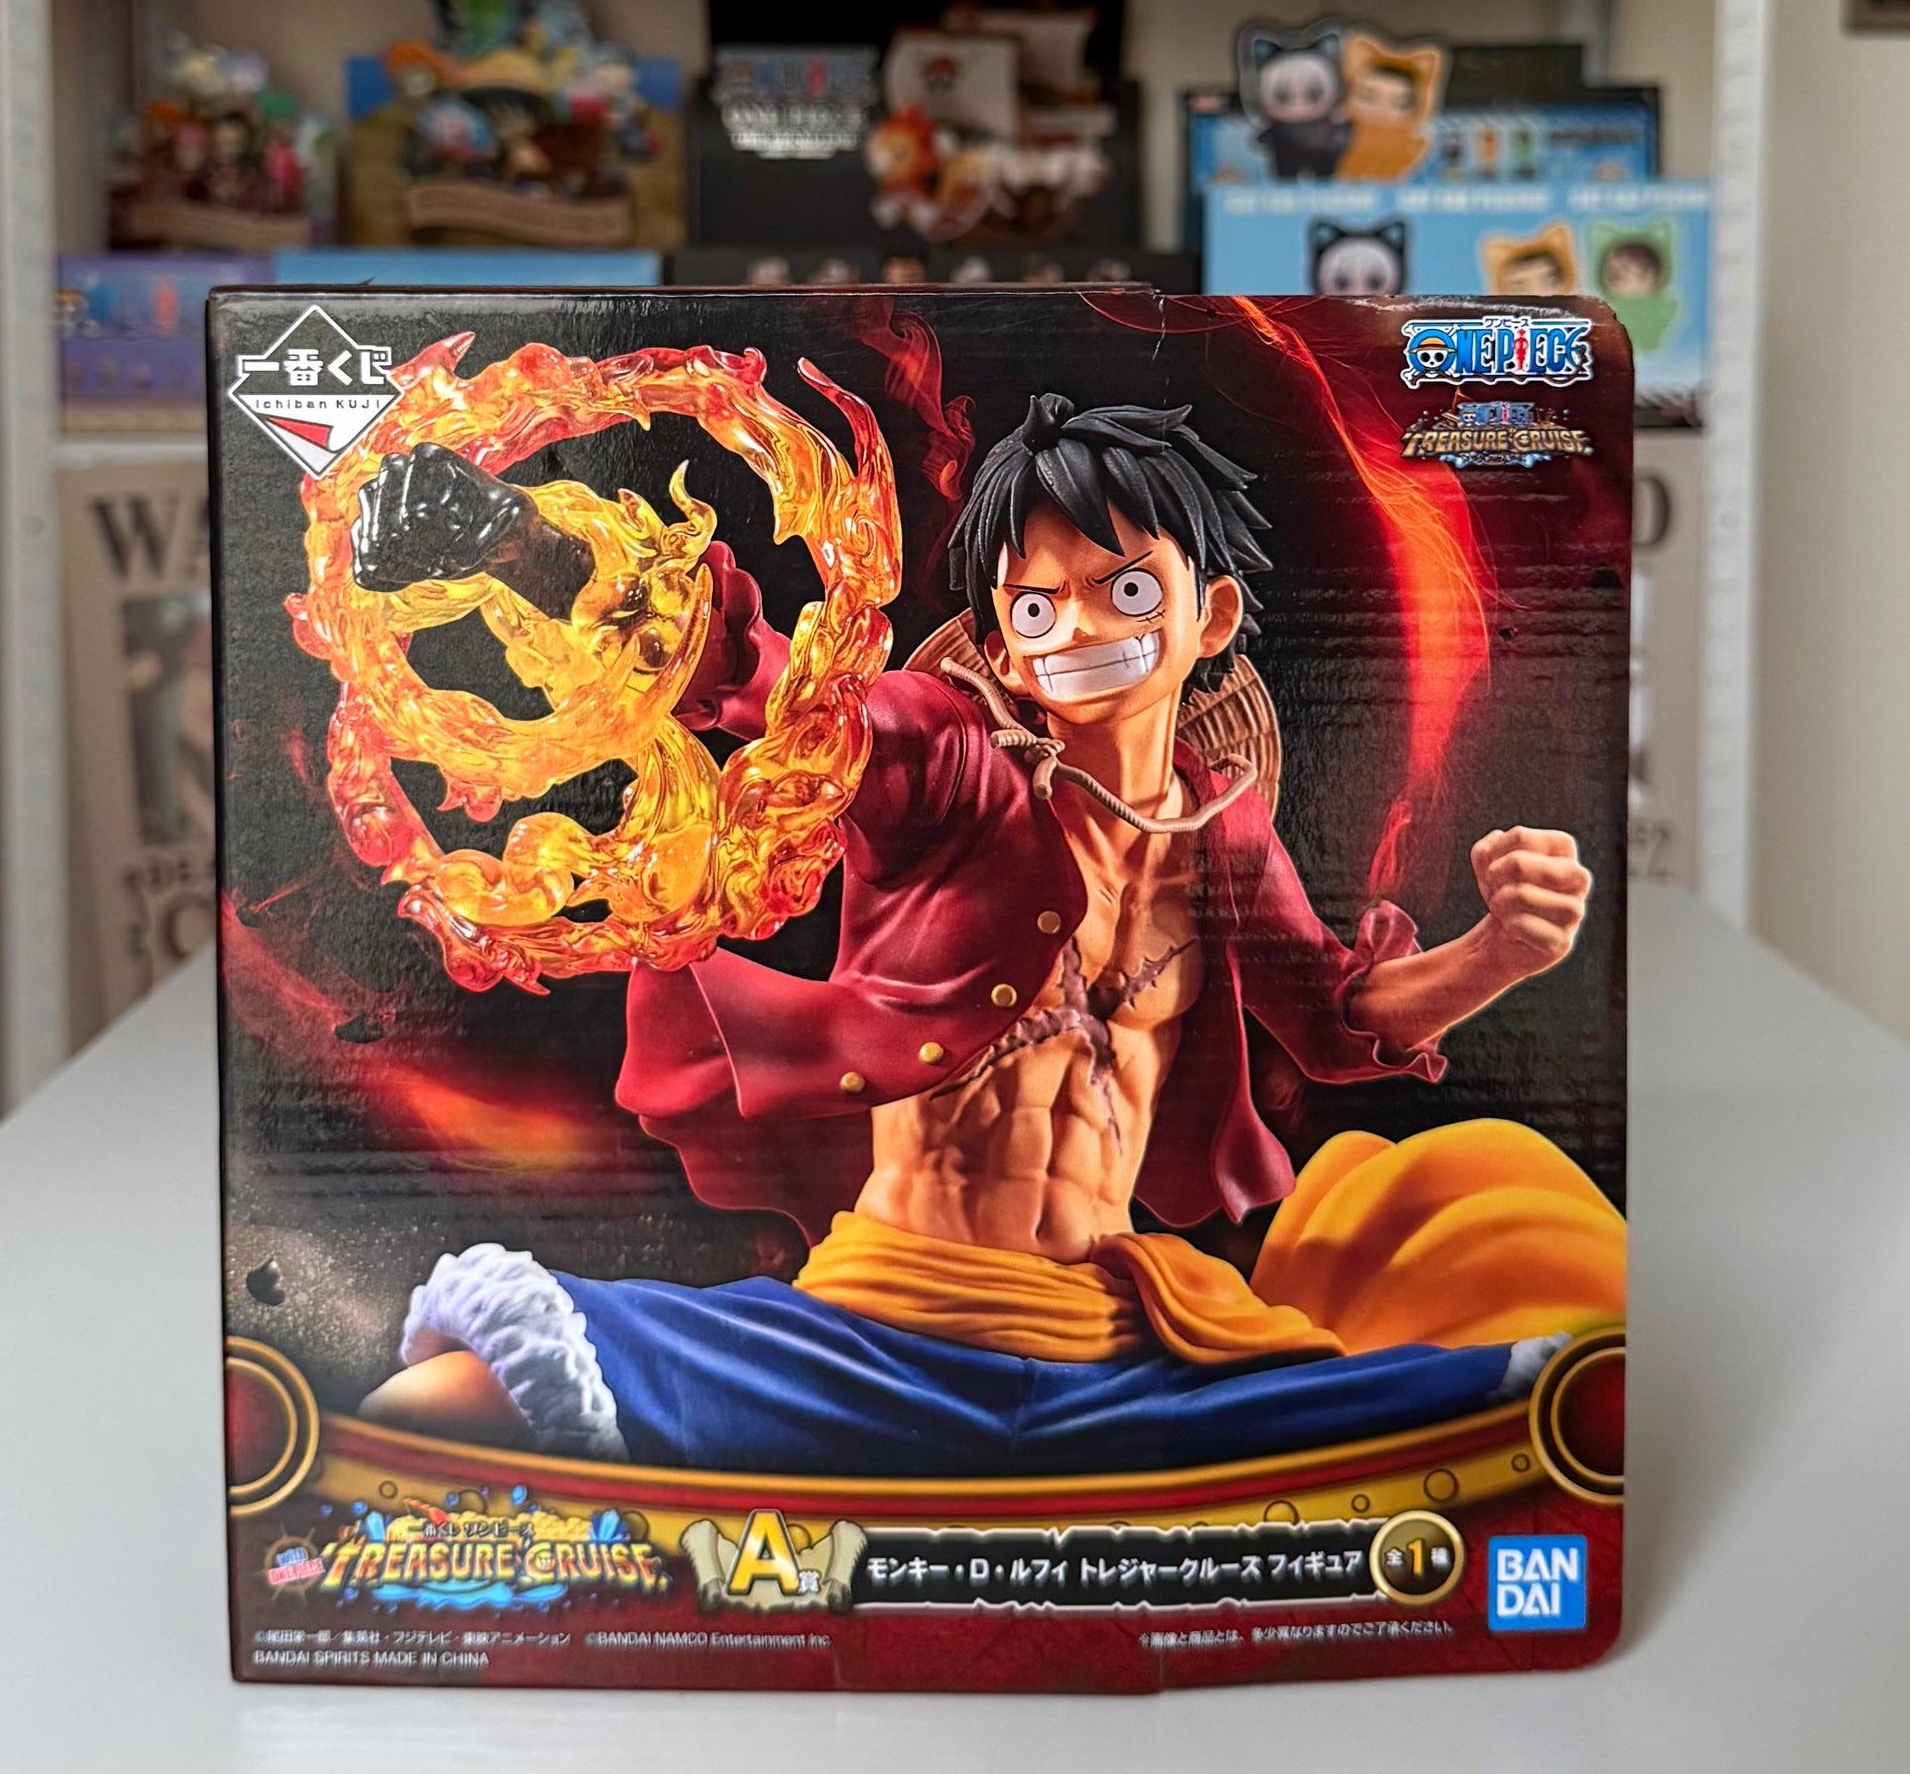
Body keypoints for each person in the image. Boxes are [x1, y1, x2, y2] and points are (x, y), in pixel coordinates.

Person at [349, 395, 1623, 1474]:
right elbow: (760, 685)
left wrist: (1498, 951)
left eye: (1125, 589)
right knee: (447, 1408)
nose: (1080, 630)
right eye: (1035, 607)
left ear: (1211, 615)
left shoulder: (1221, 834)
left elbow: (1340, 1018)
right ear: (1005, 650)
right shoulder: (947, 764)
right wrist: (518, 541)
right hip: (876, 1329)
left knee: (1524, 1398)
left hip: (1110, 1351)